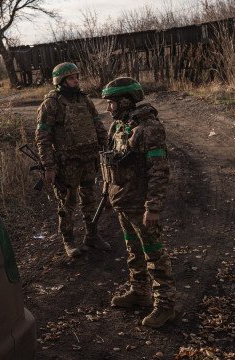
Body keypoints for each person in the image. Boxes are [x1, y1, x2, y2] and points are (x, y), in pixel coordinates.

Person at [100, 77, 176, 328]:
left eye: (111, 103)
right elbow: (109, 161)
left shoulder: (148, 127)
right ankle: (140, 292)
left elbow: (159, 170)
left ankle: (165, 306)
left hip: (140, 204)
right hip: (123, 201)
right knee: (133, 251)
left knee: (153, 254)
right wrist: (107, 191)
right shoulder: (119, 126)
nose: (108, 108)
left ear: (124, 100)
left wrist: (152, 207)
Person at [35, 62, 110, 258]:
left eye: (77, 76)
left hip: (88, 160)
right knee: (68, 203)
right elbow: (43, 137)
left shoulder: (84, 100)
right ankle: (68, 240)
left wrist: (106, 146)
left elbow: (97, 124)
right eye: (71, 78)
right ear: (60, 81)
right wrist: (49, 166)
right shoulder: (51, 104)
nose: (76, 80)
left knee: (90, 200)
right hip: (67, 163)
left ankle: (92, 235)